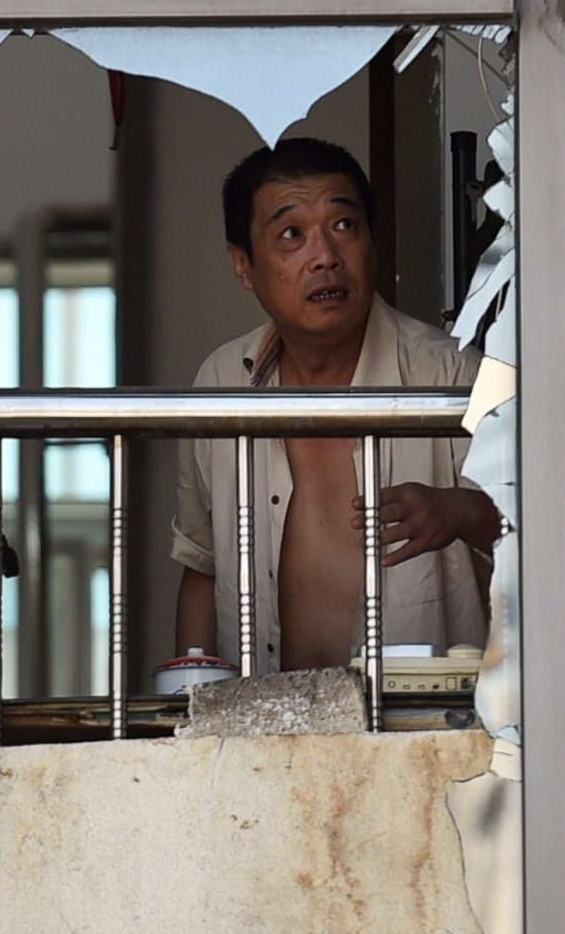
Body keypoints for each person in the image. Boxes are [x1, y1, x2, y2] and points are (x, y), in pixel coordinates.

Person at [171, 138, 499, 675]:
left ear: (372, 242)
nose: (325, 256)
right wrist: (190, 710)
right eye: (291, 234)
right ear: (243, 263)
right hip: (260, 731)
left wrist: (462, 511)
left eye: (344, 225)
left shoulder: (454, 376)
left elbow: (560, 537)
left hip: (420, 729)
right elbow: (202, 564)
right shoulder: (221, 382)